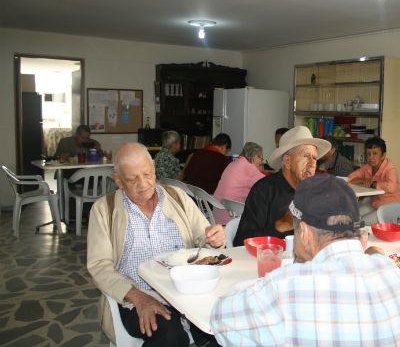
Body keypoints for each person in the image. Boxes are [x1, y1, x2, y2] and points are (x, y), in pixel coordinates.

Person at [211, 175, 400, 346]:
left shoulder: (286, 287)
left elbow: (219, 318)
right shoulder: (389, 270)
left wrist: (261, 284)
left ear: (304, 232)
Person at [87, 142, 225, 346]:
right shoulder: (104, 210)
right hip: (137, 297)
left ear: (153, 168)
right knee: (171, 336)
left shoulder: (178, 198)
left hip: (189, 292)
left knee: (221, 331)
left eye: (147, 174)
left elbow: (203, 238)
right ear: (118, 180)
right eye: (132, 179)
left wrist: (214, 241)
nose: (143, 184)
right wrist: (137, 297)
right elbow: (99, 266)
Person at [233, 126, 330, 246]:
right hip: (270, 261)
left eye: (314, 158)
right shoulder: (264, 191)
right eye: (306, 156)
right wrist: (280, 226)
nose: (311, 164)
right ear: (288, 161)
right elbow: (240, 242)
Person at [348, 137, 400, 224]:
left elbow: (392, 187)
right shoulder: (368, 167)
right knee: (351, 216)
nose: (371, 157)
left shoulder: (390, 167)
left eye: (375, 153)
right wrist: (362, 180)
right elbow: (350, 178)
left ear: (383, 155)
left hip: (389, 207)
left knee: (359, 223)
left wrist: (372, 184)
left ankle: (360, 236)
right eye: (368, 154)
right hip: (375, 203)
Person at [212, 142, 265, 224]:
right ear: (255, 157)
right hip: (232, 218)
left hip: (217, 214)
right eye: (261, 158)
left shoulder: (233, 163)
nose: (261, 162)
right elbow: (267, 184)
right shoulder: (248, 167)